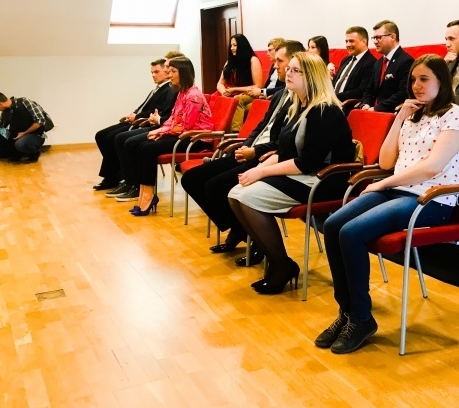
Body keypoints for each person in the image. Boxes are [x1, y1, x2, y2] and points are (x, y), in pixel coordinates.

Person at [317, 54, 459, 354]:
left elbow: (432, 167)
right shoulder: (413, 115)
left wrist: (384, 182)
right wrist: (399, 117)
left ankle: (361, 318)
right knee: (333, 224)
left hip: (431, 198)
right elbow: (387, 161)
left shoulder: (455, 115)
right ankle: (346, 312)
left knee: (351, 233)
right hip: (398, 189)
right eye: (413, 79)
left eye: (424, 79)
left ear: (442, 81)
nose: (416, 85)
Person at [228, 52, 354, 294]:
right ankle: (277, 260)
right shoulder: (299, 106)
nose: (289, 74)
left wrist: (262, 174)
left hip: (323, 179)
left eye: (297, 71)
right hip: (302, 174)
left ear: (313, 77)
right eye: (291, 69)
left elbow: (306, 162)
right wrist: (258, 169)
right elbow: (284, 152)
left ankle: (280, 265)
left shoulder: (325, 111)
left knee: (247, 197)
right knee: (235, 193)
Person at [180, 40, 305, 263]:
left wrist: (254, 151)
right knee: (191, 179)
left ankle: (253, 237)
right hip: (251, 150)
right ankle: (240, 228)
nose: (275, 66)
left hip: (266, 158)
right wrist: (245, 144)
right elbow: (261, 127)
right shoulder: (278, 95)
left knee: (215, 186)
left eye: (280, 61)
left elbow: (282, 143)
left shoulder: (302, 101)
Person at [123, 56, 213, 215]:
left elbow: (186, 125)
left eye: (172, 71)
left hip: (196, 138)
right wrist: (160, 130)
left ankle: (148, 196)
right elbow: (173, 118)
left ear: (183, 73)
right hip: (182, 134)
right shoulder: (181, 93)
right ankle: (145, 193)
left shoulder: (193, 95)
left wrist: (162, 131)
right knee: (144, 145)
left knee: (148, 149)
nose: (169, 74)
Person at [92, 58, 175, 190]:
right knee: (101, 135)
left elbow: (156, 111)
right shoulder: (158, 88)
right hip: (138, 119)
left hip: (144, 122)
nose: (153, 75)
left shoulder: (169, 90)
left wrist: (137, 117)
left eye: (157, 71)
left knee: (115, 137)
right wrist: (133, 113)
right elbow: (144, 106)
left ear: (166, 72)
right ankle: (116, 171)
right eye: (152, 72)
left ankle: (115, 177)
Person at [0, 92, 54, 163]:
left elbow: (40, 120)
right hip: (16, 135)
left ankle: (35, 153)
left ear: (0, 104)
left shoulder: (24, 102)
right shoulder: (6, 112)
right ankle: (16, 153)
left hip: (34, 134)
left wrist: (24, 133)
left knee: (20, 143)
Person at [360, 20, 414, 112]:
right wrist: (365, 104)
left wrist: (376, 108)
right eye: (374, 38)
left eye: (379, 37)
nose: (375, 42)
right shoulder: (378, 63)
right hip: (371, 112)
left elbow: (403, 93)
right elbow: (369, 89)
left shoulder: (406, 61)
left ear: (392, 37)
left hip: (390, 113)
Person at [217, 34, 263, 132]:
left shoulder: (253, 60)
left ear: (242, 46)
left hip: (250, 94)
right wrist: (223, 92)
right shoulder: (229, 62)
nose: (232, 48)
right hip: (233, 94)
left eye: (235, 45)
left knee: (237, 100)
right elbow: (220, 83)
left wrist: (235, 89)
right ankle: (220, 134)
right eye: (231, 45)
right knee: (227, 101)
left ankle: (235, 134)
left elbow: (258, 86)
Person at [332, 26, 376, 102]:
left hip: (346, 104)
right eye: (346, 41)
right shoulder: (346, 59)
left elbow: (361, 91)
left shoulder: (371, 63)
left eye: (351, 41)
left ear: (364, 42)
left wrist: (334, 97)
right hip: (332, 101)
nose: (348, 45)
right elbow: (336, 82)